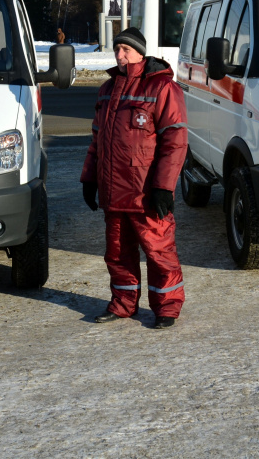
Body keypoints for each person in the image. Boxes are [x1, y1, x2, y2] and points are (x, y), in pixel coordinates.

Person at [80, 26, 188, 328]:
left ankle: (167, 307)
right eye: (117, 49)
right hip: (114, 192)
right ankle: (123, 303)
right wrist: (89, 178)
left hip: (146, 192)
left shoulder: (163, 88)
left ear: (140, 51)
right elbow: (97, 140)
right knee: (117, 254)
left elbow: (175, 142)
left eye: (126, 49)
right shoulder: (107, 89)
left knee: (159, 252)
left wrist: (163, 187)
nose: (120, 54)